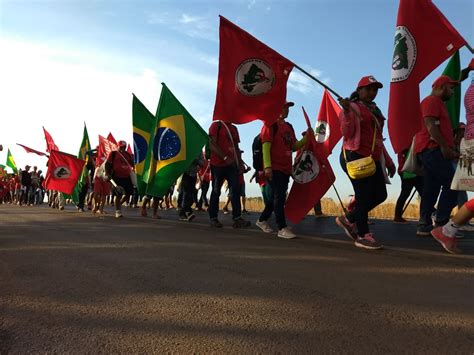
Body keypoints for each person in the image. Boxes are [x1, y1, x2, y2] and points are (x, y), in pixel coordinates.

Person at [336, 76, 396, 250]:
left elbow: (379, 139)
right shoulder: (352, 107)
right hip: (355, 156)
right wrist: (347, 112)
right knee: (363, 195)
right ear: (359, 90)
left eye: (375, 89)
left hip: (372, 158)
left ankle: (349, 219)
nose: (372, 92)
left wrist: (389, 162)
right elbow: (347, 134)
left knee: (380, 194)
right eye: (368, 89)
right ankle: (363, 235)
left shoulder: (375, 110)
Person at [414, 76, 460, 236]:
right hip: (433, 150)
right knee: (452, 183)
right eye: (451, 88)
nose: (453, 92)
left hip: (432, 150)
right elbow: (430, 125)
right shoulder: (432, 101)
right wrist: (444, 147)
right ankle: (441, 225)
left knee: (431, 188)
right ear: (442, 86)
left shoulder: (437, 103)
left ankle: (424, 224)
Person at [255, 101, 309, 239]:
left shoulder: (289, 127)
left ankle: (262, 220)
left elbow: (294, 146)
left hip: (285, 169)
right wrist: (267, 167)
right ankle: (282, 227)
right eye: (284, 107)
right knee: (279, 197)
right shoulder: (270, 125)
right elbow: (265, 147)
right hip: (275, 168)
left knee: (277, 197)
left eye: (288, 108)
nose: (287, 110)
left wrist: (306, 138)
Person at [207, 120, 250, 228]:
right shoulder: (216, 125)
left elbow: (236, 148)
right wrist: (225, 157)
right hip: (217, 164)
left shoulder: (234, 129)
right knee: (216, 190)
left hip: (232, 165)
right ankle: (213, 218)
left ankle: (237, 218)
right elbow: (212, 145)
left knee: (235, 190)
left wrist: (240, 164)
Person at [105, 140, 135, 218]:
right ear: (118, 146)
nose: (123, 148)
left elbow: (133, 164)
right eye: (121, 147)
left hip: (127, 176)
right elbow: (107, 164)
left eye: (124, 147)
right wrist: (107, 174)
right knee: (118, 194)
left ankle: (119, 204)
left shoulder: (128, 154)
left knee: (129, 193)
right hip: (116, 177)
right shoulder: (113, 153)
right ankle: (118, 211)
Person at [393, 149, 424, 223]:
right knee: (424, 194)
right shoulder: (411, 142)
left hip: (405, 171)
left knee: (404, 194)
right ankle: (424, 218)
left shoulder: (401, 145)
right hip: (414, 171)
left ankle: (397, 216)